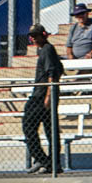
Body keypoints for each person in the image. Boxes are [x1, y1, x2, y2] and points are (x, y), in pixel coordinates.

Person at [23, 23, 63, 174]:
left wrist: (48, 96)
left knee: (28, 125)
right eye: (31, 36)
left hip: (41, 95)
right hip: (44, 94)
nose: (33, 39)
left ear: (43, 35)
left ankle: (42, 159)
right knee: (50, 130)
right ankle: (53, 163)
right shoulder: (46, 50)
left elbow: (52, 73)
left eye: (35, 36)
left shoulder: (47, 49)